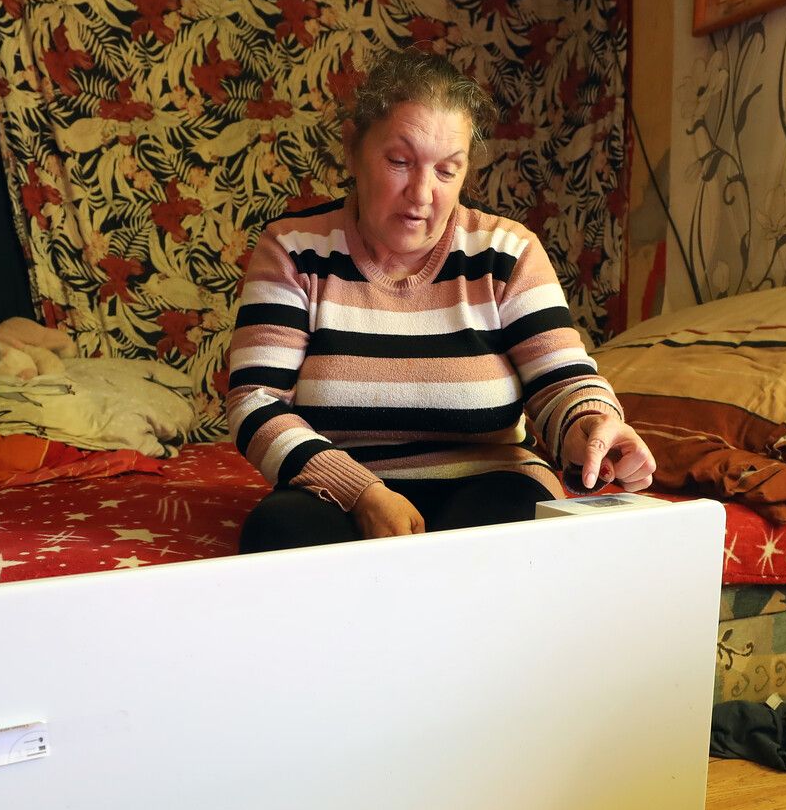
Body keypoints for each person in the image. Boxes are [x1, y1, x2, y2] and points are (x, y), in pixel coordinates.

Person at [226, 49, 656, 552]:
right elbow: (255, 401)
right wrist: (362, 492)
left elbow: (561, 382)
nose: (422, 193)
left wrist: (590, 426)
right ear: (352, 149)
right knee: (279, 533)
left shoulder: (507, 252)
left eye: (447, 170)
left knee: (507, 536)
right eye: (399, 162)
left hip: (492, 483)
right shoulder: (294, 249)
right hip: (338, 488)